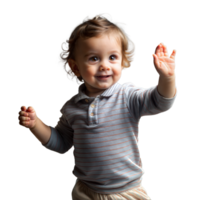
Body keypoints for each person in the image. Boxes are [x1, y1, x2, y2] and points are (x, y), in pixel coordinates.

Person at [17, 12, 179, 200]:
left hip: (127, 192)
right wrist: (36, 124)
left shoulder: (127, 97)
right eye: (94, 58)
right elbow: (60, 143)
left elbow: (161, 101)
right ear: (75, 67)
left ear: (123, 62)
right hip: (85, 192)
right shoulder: (71, 108)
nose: (104, 65)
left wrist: (167, 78)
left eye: (112, 57)